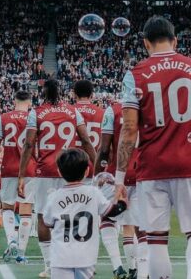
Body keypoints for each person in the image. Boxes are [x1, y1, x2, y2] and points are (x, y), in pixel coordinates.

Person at [114, 16, 191, 279]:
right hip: (190, 163)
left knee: (156, 239)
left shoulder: (134, 75)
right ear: (175, 40)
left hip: (152, 166)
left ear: (146, 43)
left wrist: (120, 178)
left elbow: (129, 129)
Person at [19, 80, 97, 278]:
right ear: (61, 92)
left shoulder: (35, 113)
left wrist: (22, 175)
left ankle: (50, 265)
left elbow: (28, 145)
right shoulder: (73, 112)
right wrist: (97, 166)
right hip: (70, 169)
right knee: (74, 215)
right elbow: (86, 140)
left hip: (45, 171)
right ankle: (80, 262)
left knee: (43, 217)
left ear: (43, 93)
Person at [42, 149, 127, 279]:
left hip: (60, 256)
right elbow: (111, 211)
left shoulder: (54, 197)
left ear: (59, 172)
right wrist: (123, 202)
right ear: (87, 170)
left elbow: (47, 222)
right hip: (86, 257)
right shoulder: (93, 193)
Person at [74, 80, 126, 279]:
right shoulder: (103, 112)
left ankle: (84, 265)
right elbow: (108, 147)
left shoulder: (70, 112)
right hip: (100, 169)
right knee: (107, 217)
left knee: (79, 220)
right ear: (93, 93)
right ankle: (125, 265)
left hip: (74, 170)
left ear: (74, 93)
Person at [97, 100, 146, 279]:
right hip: (142, 173)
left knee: (108, 217)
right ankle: (140, 270)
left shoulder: (113, 110)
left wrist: (98, 175)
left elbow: (104, 148)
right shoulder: (150, 108)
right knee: (140, 226)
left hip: (116, 172)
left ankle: (118, 266)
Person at [0, 90, 36, 264]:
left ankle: (12, 240)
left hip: (9, 168)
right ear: (29, 102)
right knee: (26, 210)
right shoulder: (34, 117)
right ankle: (21, 252)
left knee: (8, 207)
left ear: (14, 101)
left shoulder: (3, 118)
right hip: (29, 169)